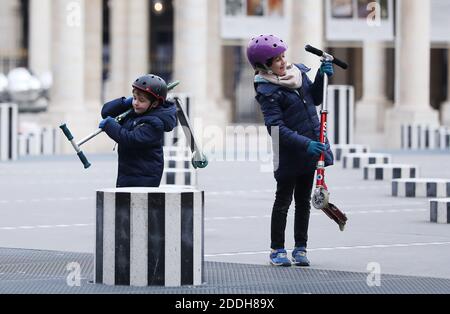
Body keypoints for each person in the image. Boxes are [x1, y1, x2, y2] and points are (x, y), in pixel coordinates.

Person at [247, 35, 335, 267]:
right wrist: (305, 144)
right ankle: (277, 249)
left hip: (310, 148)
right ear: (264, 65)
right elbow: (275, 128)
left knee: (303, 202)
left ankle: (300, 248)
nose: (283, 62)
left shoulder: (298, 74)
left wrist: (321, 77)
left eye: (283, 56)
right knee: (283, 201)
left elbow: (315, 98)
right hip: (289, 152)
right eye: (276, 60)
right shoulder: (267, 90)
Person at [99, 74, 177, 188]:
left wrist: (110, 126)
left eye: (141, 100)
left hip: (144, 178)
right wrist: (124, 102)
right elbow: (106, 112)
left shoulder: (155, 124)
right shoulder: (135, 113)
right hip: (127, 174)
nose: (136, 103)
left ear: (154, 104)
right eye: (134, 98)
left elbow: (130, 140)